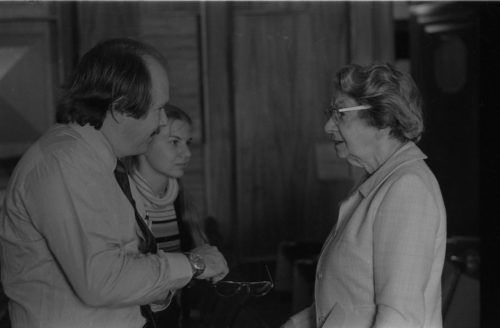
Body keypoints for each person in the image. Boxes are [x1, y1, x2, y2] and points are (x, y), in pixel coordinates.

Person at [0, 38, 228, 328]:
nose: (160, 123)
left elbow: (123, 267)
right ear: (120, 109)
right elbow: (102, 280)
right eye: (157, 109)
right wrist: (194, 264)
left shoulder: (100, 161)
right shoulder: (64, 163)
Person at [282, 63, 446, 328]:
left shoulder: (408, 187)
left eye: (339, 114)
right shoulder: (379, 179)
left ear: (382, 119)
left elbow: (399, 317)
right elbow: (351, 302)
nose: (327, 126)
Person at [125, 104, 209, 327]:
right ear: (145, 141)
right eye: (174, 142)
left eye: (187, 142)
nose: (187, 153)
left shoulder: (180, 198)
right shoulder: (123, 199)